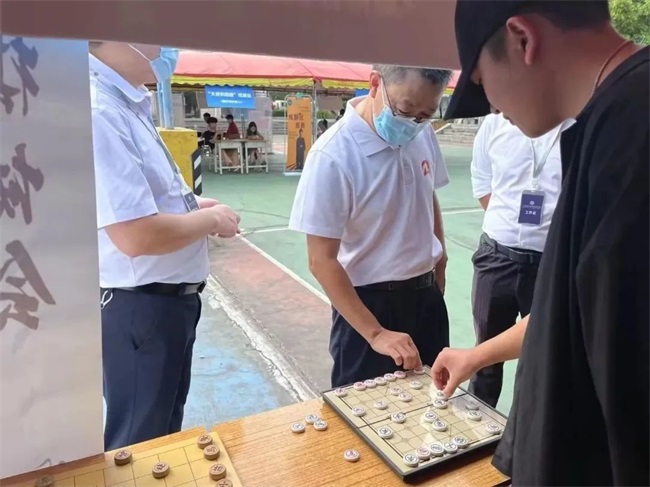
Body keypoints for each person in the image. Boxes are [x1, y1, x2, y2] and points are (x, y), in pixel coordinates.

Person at [434, 1, 648, 485]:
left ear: (522, 39)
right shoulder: (609, 120)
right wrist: (477, 356)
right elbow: (573, 307)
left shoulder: (632, 130)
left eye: (482, 82)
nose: (491, 107)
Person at [89, 41, 241, 450]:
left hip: (166, 305)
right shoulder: (101, 112)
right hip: (142, 308)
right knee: (140, 444)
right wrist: (211, 220)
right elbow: (135, 234)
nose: (166, 46)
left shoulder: (127, 104)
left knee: (162, 435)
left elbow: (145, 203)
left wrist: (195, 207)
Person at [289, 64, 454, 387]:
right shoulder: (333, 155)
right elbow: (321, 260)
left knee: (434, 402)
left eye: (426, 114)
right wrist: (376, 333)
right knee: (365, 409)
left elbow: (427, 193)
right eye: (405, 110)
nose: (413, 123)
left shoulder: (422, 133)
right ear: (376, 83)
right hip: (368, 306)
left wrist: (441, 259)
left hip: (426, 297)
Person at [467, 112, 564, 408]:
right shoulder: (494, 125)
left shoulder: (574, 125)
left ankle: (528, 431)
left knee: (543, 357)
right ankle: (478, 426)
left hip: (552, 263)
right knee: (485, 354)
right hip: (496, 258)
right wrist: (507, 225)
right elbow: (482, 181)